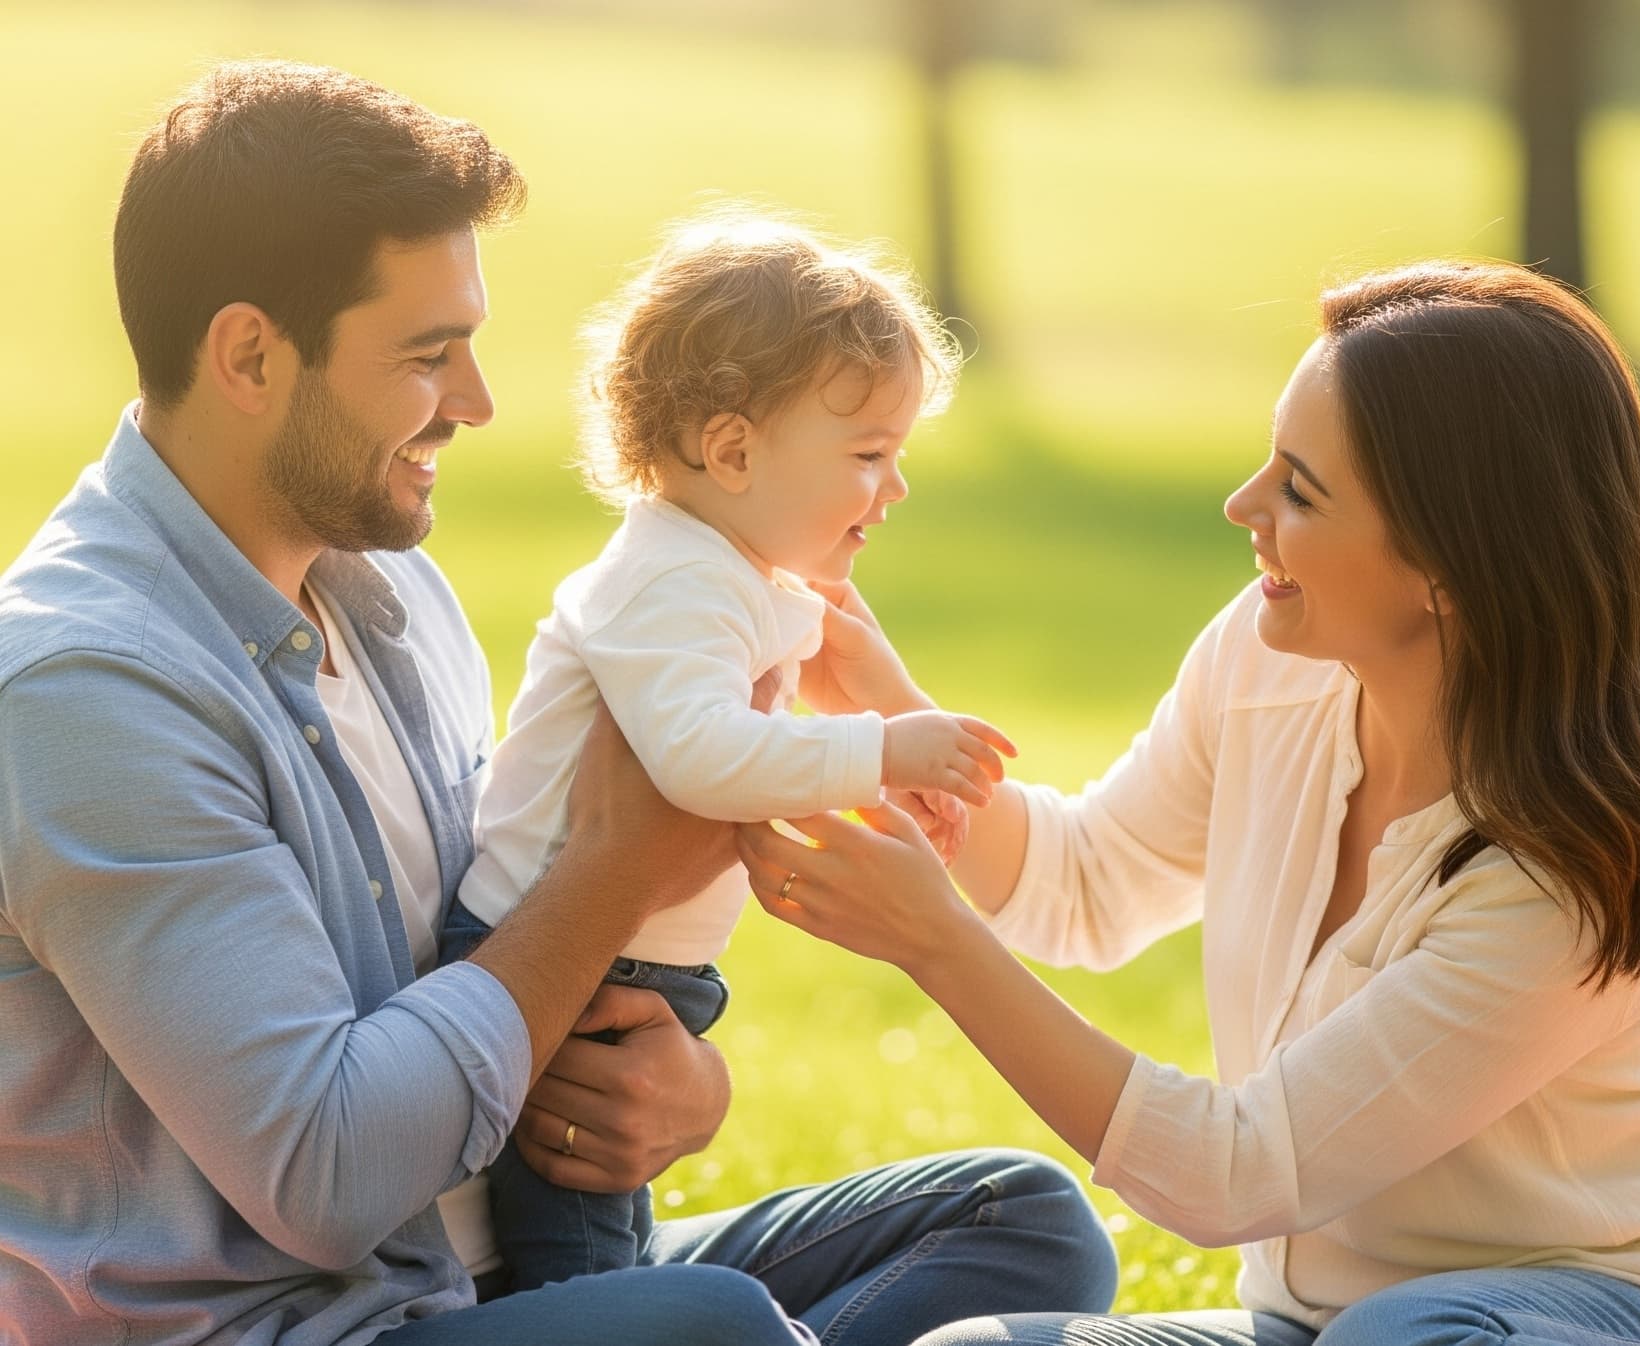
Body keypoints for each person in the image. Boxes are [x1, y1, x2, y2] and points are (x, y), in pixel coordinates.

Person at [0, 60, 1117, 1345]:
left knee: (1020, 1220)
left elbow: (499, 969)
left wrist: (680, 1090)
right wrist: (620, 866)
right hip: (318, 1316)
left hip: (478, 1268)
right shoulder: (86, 692)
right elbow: (329, 1175)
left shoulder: (382, 586)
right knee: (718, 1329)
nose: (476, 402)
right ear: (251, 353)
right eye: (428, 355)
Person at [736, 260, 1640, 1345]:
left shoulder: (1566, 876)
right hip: (1319, 1325)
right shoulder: (1277, 653)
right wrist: (881, 698)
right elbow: (1083, 882)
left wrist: (935, 943)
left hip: (1595, 1313)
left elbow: (1235, 1172)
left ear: (1448, 566)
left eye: (1300, 490)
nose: (1242, 506)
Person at [441, 210, 1014, 1292]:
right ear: (733, 449)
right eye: (869, 455)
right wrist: (884, 749)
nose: (893, 491)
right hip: (563, 963)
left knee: (613, 1240)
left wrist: (885, 794)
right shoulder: (676, 580)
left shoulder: (729, 575)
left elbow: (747, 768)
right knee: (582, 1262)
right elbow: (702, 763)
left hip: (631, 970)